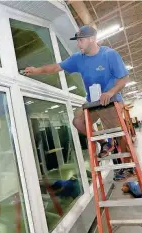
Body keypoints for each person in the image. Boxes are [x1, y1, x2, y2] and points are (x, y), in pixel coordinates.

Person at [24, 25, 130, 154]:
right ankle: (104, 143)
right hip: (93, 102)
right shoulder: (78, 58)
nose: (78, 44)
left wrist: (110, 92)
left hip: (111, 100)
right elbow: (56, 68)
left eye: (81, 40)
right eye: (77, 41)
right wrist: (36, 70)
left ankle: (128, 165)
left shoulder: (109, 54)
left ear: (91, 39)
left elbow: (124, 78)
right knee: (78, 121)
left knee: (118, 133)